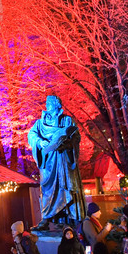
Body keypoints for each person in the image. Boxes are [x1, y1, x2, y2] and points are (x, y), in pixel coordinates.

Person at [27, 95, 86, 230]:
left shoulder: (67, 120)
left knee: (65, 186)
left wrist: (67, 142)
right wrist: (40, 142)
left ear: (56, 105)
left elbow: (76, 136)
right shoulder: (40, 123)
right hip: (48, 161)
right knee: (48, 189)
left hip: (63, 159)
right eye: (47, 103)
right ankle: (47, 218)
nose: (48, 106)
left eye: (51, 103)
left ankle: (68, 217)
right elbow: (31, 135)